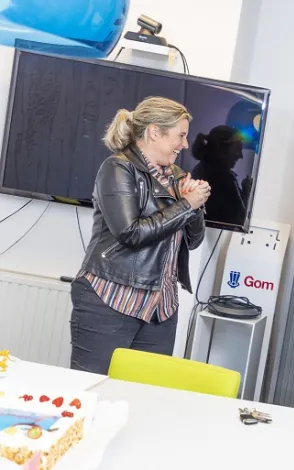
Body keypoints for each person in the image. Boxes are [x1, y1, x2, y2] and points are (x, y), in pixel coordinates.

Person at [69, 96, 210, 375]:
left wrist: (196, 207)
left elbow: (193, 242)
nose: (184, 145)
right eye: (180, 136)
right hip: (111, 297)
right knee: (90, 391)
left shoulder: (177, 176)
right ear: (155, 132)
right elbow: (130, 233)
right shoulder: (118, 168)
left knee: (145, 398)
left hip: (161, 307)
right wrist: (187, 204)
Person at [190, 125, 252, 226]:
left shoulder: (201, 169)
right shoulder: (221, 178)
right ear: (221, 148)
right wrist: (246, 193)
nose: (241, 156)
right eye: (237, 149)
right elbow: (238, 220)